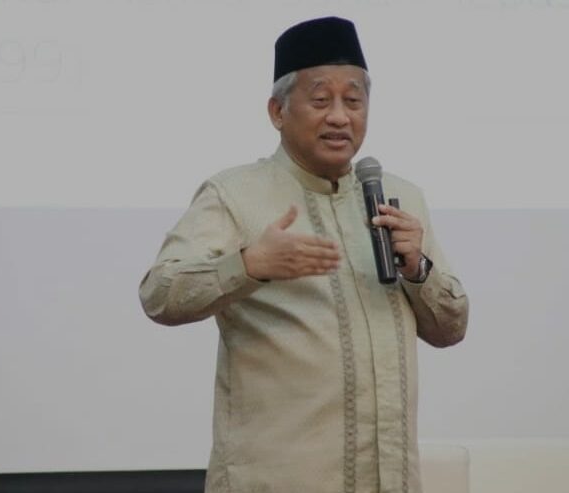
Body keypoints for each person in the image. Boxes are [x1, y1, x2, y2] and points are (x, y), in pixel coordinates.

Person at [139, 16, 468, 493]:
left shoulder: (400, 199)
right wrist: (248, 266)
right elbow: (159, 294)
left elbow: (450, 329)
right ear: (277, 111)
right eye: (320, 100)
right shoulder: (235, 195)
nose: (339, 117)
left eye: (353, 101)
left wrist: (419, 269)